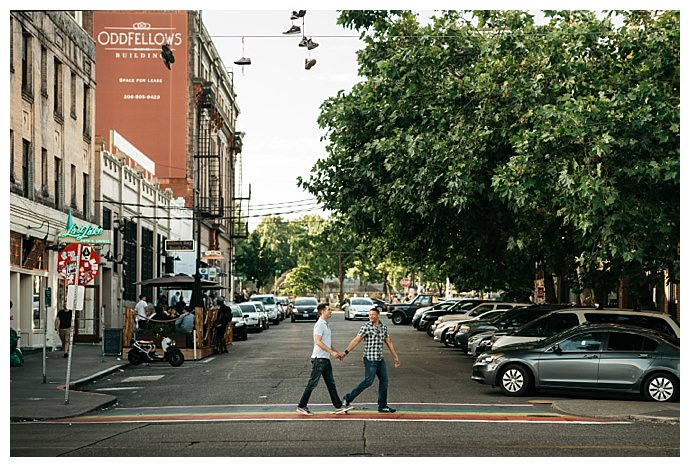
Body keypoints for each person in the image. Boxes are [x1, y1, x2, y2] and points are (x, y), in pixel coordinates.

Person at [341, 307, 401, 413]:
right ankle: (347, 398)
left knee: (384, 381)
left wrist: (395, 357)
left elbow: (389, 342)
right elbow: (356, 340)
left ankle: (382, 406)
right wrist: (346, 352)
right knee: (368, 381)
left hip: (379, 359)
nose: (371, 316)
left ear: (378, 315)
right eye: (369, 315)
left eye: (373, 314)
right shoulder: (366, 327)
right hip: (369, 359)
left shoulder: (383, 328)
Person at [296, 303, 352, 416]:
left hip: (325, 359)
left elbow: (327, 343)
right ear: (322, 311)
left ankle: (338, 406)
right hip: (319, 359)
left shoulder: (326, 325)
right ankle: (302, 406)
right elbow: (318, 342)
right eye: (328, 310)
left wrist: (336, 352)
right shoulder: (320, 325)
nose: (330, 311)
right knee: (312, 383)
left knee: (331, 384)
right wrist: (331, 352)